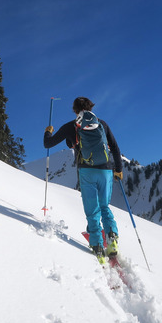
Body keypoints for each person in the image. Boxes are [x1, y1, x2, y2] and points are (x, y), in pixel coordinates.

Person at [43, 97, 123, 263]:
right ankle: (112, 238)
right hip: (106, 170)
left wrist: (48, 131)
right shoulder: (102, 124)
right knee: (104, 206)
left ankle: (97, 246)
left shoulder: (71, 126)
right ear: (91, 107)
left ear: (74, 110)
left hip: (86, 171)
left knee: (92, 210)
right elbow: (115, 147)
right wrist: (119, 169)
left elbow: (48, 144)